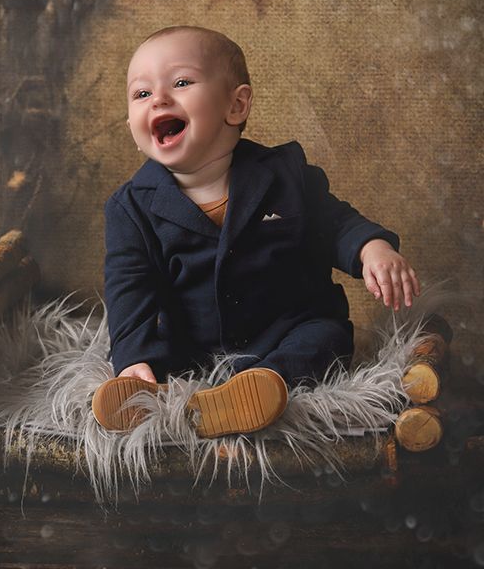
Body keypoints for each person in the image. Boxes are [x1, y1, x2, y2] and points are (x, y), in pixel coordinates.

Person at [91, 26, 420, 438]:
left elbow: (335, 224)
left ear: (237, 104)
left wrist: (372, 249)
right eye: (141, 94)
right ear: (134, 128)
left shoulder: (285, 176)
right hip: (195, 345)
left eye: (180, 82)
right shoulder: (131, 206)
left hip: (290, 327)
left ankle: (258, 389)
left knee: (326, 338)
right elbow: (130, 290)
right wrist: (133, 357)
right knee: (153, 360)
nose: (158, 99)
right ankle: (153, 398)